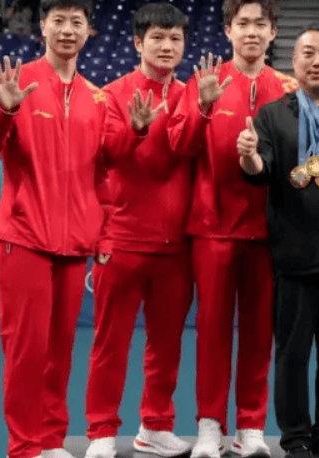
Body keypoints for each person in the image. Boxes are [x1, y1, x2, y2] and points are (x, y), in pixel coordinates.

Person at [0, 1, 107, 457]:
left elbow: (103, 176)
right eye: (58, 21)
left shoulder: (96, 98)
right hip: (24, 237)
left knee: (59, 350)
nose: (67, 30)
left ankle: (50, 440)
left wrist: (100, 232)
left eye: (76, 22)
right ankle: (25, 446)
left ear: (89, 31)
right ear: (42, 26)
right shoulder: (17, 81)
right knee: (26, 351)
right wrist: (4, 111)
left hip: (75, 243)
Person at [166, 1, 297, 457]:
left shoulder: (290, 90)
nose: (252, 32)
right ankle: (208, 425)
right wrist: (203, 106)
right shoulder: (202, 82)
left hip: (269, 232)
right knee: (212, 330)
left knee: (260, 332)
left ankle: (251, 426)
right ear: (227, 30)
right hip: (213, 228)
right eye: (243, 24)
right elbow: (179, 146)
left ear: (274, 32)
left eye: (261, 24)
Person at [237, 25, 319, 458]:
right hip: (294, 255)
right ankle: (295, 439)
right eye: (308, 53)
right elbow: (261, 172)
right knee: (292, 354)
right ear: (292, 63)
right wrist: (249, 156)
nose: (317, 61)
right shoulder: (273, 115)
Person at [83, 3, 193, 458]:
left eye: (175, 38)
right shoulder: (112, 95)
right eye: (157, 38)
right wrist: (137, 129)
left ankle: (155, 426)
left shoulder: (194, 95)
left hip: (177, 247)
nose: (167, 46)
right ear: (137, 43)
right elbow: (103, 160)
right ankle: (101, 431)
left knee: (166, 345)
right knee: (110, 343)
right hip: (122, 241)